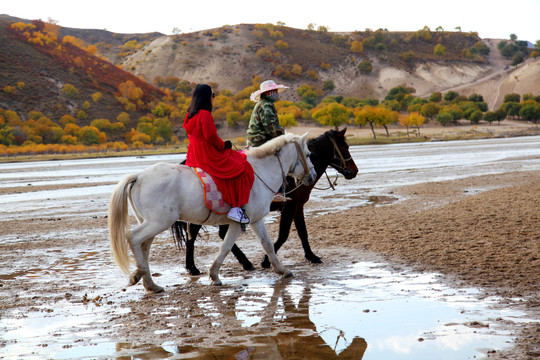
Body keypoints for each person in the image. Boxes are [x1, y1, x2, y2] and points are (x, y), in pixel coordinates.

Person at [183, 84, 254, 224]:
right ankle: (236, 207)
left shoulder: (189, 114)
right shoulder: (205, 114)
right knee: (242, 166)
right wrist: (224, 145)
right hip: (207, 153)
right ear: (207, 97)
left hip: (193, 154)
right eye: (212, 95)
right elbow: (210, 137)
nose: (213, 99)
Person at [247, 80, 289, 147]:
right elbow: (271, 128)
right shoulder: (265, 106)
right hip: (260, 141)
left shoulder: (264, 103)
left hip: (258, 140)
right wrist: (285, 135)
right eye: (275, 91)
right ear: (267, 93)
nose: (277, 93)